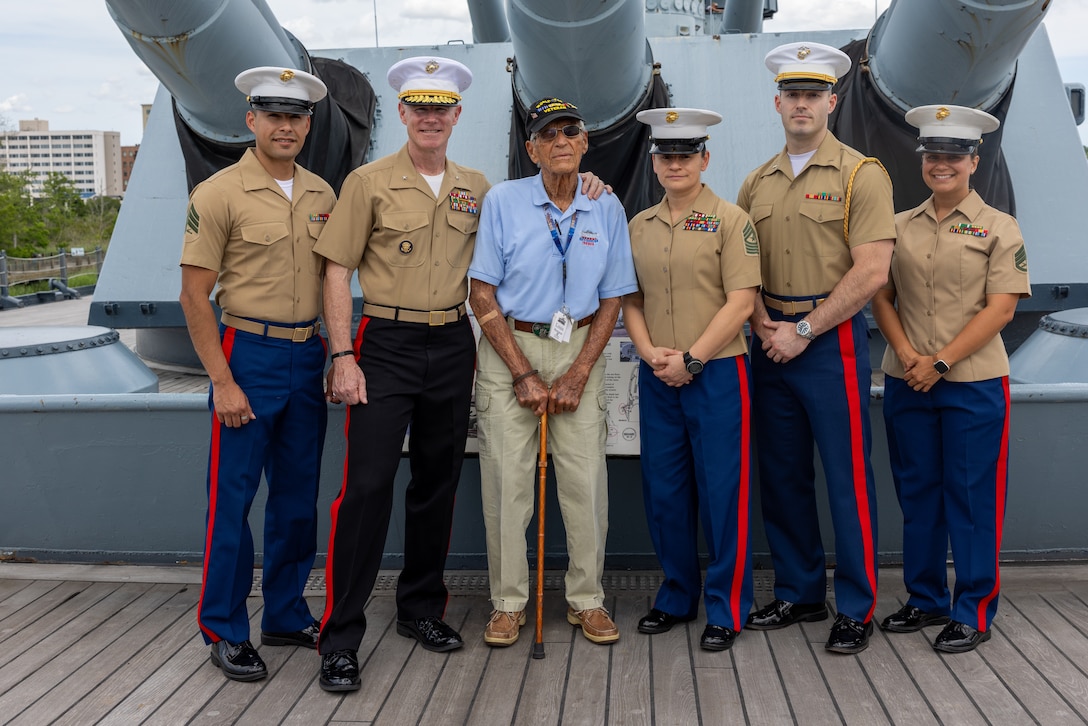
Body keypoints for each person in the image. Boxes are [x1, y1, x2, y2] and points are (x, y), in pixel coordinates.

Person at [313, 62, 608, 691]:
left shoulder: (479, 187)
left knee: (436, 484)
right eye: (418, 108)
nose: (429, 118)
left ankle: (420, 609)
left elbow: (525, 242)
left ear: (456, 117)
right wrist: (343, 355)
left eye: (440, 109)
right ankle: (340, 636)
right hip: (385, 343)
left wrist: (591, 185)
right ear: (403, 114)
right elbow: (336, 270)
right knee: (365, 488)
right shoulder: (367, 182)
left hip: (451, 342)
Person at [736, 42, 895, 654]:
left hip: (831, 346)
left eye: (813, 95)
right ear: (777, 103)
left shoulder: (862, 174)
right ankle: (801, 591)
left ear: (832, 101)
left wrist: (803, 332)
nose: (802, 105)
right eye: (791, 95)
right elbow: (741, 268)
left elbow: (871, 271)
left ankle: (855, 606)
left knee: (847, 477)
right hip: (770, 340)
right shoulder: (758, 181)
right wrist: (766, 325)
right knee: (781, 474)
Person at [179, 66, 334, 682]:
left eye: (296, 117)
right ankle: (224, 626)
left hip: (308, 355)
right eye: (273, 115)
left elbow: (337, 279)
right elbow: (195, 297)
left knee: (297, 500)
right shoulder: (217, 194)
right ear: (252, 120)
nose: (286, 126)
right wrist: (221, 380)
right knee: (232, 502)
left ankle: (287, 612)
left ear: (307, 125)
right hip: (247, 354)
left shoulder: (325, 194)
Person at [468, 97, 638, 648]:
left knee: (586, 483)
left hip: (580, 351)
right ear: (532, 149)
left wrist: (579, 373)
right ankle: (508, 603)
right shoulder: (503, 200)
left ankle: (587, 600)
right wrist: (521, 373)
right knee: (506, 484)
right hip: (510, 348)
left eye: (572, 130)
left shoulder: (604, 206)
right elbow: (481, 292)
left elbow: (613, 296)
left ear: (585, 144)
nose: (561, 140)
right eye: (548, 133)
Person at [872, 105, 1029, 654]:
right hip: (908, 381)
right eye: (933, 155)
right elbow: (882, 295)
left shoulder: (998, 227)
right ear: (924, 161)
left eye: (954, 155)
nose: (942, 164)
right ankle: (925, 597)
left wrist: (938, 363)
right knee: (919, 493)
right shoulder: (898, 227)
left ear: (974, 160)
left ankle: (974, 609)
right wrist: (908, 354)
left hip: (972, 384)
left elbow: (1001, 309)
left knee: (972, 497)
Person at [623, 108, 762, 651]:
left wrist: (694, 359)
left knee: (725, 493)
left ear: (705, 159)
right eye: (666, 155)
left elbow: (742, 300)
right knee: (666, 490)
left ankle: (726, 607)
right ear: (655, 163)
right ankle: (677, 595)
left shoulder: (732, 221)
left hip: (718, 373)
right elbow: (630, 298)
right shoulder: (639, 226)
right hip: (658, 373)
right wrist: (649, 352)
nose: (675, 163)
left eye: (686, 154)